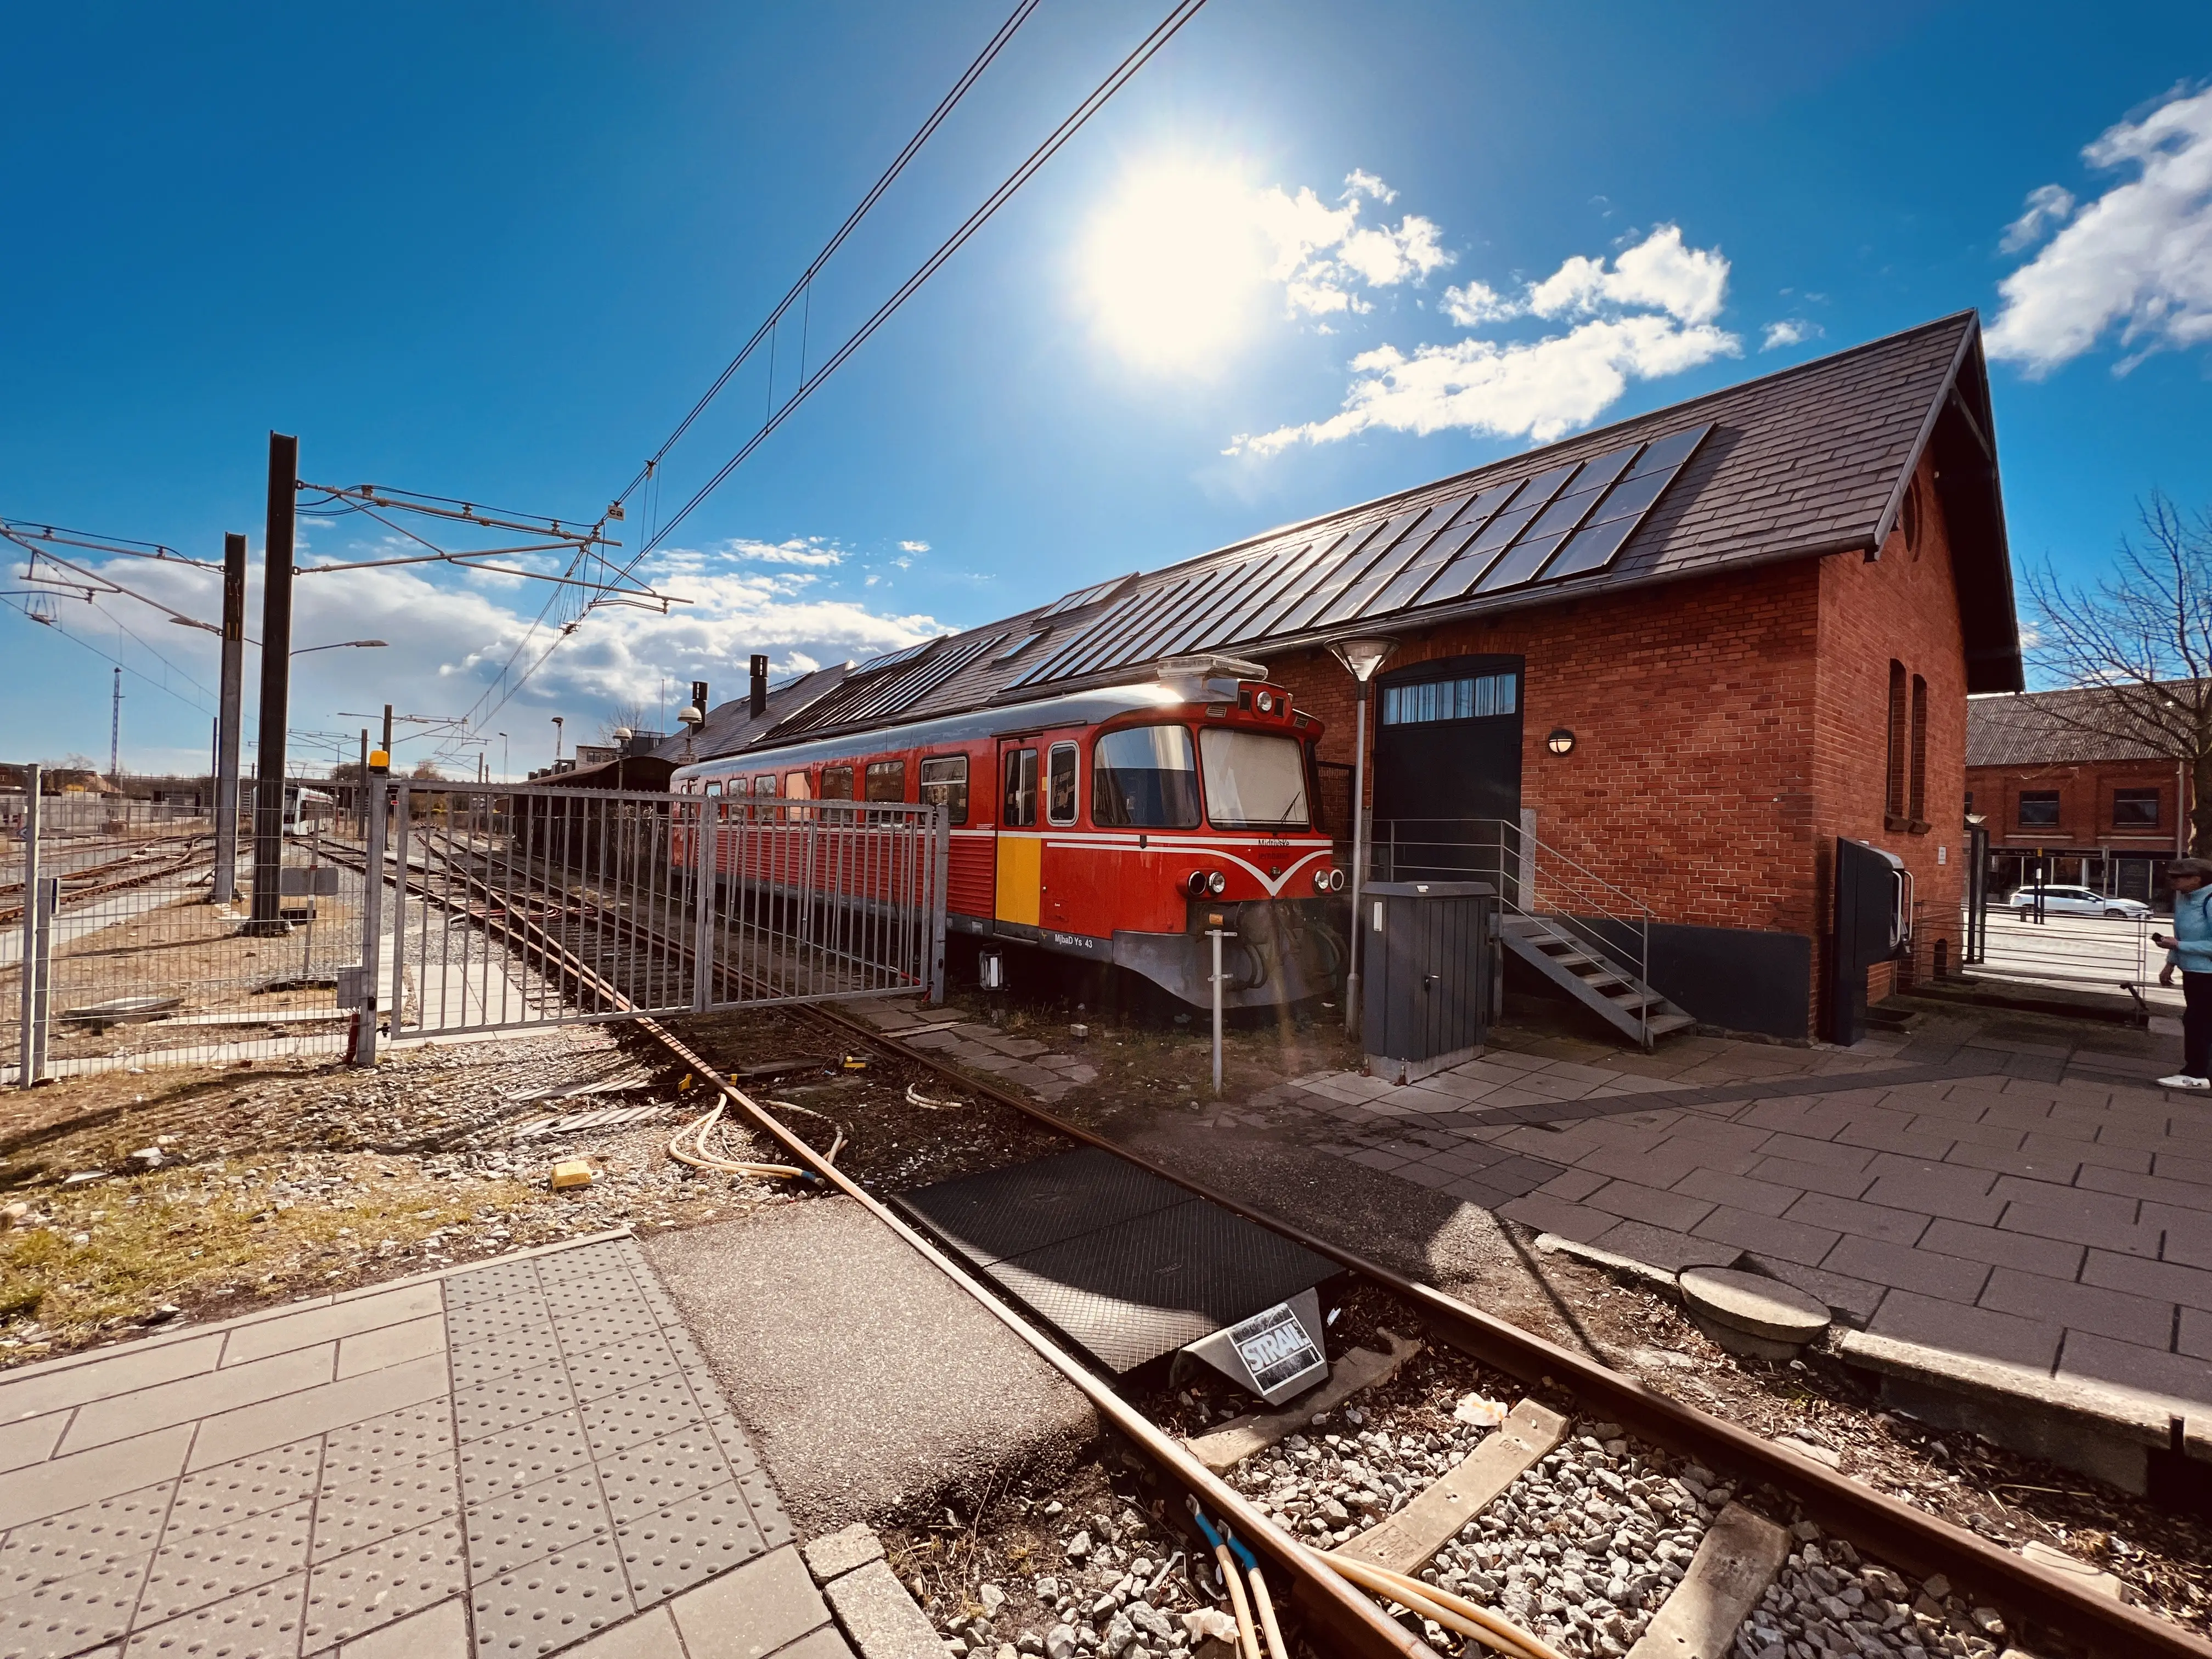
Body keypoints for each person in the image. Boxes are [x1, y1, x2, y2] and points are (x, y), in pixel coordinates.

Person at [2152, 856, 2212, 1090]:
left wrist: (2178, 947)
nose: (2171, 880)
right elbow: (2180, 935)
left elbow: (2183, 942)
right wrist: (2171, 963)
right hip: (2193, 972)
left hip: (2207, 974)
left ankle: (2195, 1075)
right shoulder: (2185, 899)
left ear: (2197, 879)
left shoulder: (2209, 900)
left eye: (2177, 877)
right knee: (2199, 1021)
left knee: (2198, 1022)